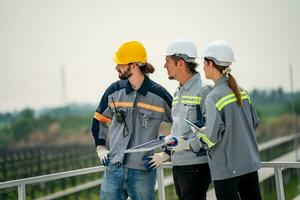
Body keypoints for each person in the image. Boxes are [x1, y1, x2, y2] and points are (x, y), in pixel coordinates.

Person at [91, 41, 172, 200]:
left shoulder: (159, 95)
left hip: (143, 171)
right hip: (114, 169)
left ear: (134, 65)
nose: (116, 67)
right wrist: (100, 147)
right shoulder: (114, 91)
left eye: (120, 63)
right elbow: (99, 119)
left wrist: (165, 154)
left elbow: (180, 123)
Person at [144, 39, 212, 200]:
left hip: (196, 166)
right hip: (179, 165)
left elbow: (211, 130)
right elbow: (179, 130)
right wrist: (167, 151)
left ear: (180, 64)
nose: (164, 66)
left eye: (168, 61)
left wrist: (189, 144)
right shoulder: (177, 92)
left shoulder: (204, 90)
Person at [197, 40, 262, 200]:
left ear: (211, 64)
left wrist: (195, 140)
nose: (203, 67)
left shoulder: (213, 97)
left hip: (227, 171)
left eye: (204, 63)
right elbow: (254, 122)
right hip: (249, 165)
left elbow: (211, 138)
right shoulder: (242, 92)